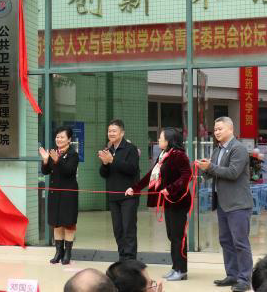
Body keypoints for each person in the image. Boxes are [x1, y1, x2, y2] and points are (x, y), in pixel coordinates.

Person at [126, 128, 192, 281]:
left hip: (178, 201)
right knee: (172, 236)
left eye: (161, 137)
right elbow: (151, 175)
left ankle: (181, 269)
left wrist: (170, 189)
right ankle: (176, 267)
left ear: (169, 140)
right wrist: (135, 188)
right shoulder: (163, 155)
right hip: (168, 202)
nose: (159, 140)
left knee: (178, 236)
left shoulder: (179, 155)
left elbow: (186, 175)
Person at [197, 116, 253, 292]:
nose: (217, 132)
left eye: (220, 129)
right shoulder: (217, 150)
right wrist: (204, 169)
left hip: (238, 204)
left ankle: (244, 279)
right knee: (226, 240)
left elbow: (233, 173)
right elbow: (213, 172)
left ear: (231, 129)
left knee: (240, 242)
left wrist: (210, 168)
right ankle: (232, 275)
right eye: (215, 129)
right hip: (223, 203)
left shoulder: (239, 149)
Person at [98, 119, 140, 261]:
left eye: (114, 131)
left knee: (128, 228)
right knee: (118, 229)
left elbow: (132, 169)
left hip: (129, 196)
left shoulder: (131, 149)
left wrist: (112, 161)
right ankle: (122, 256)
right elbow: (103, 174)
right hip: (113, 195)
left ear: (122, 132)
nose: (111, 133)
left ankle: (130, 258)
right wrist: (105, 164)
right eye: (109, 131)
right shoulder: (107, 149)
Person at [39, 126, 80, 265]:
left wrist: (57, 161)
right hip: (54, 193)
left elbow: (69, 171)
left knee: (68, 224)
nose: (59, 139)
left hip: (68, 194)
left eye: (62, 137)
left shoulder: (73, 154)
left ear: (69, 139)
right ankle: (58, 253)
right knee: (56, 224)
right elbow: (46, 171)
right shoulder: (53, 152)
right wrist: (45, 160)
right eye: (57, 137)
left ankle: (68, 253)